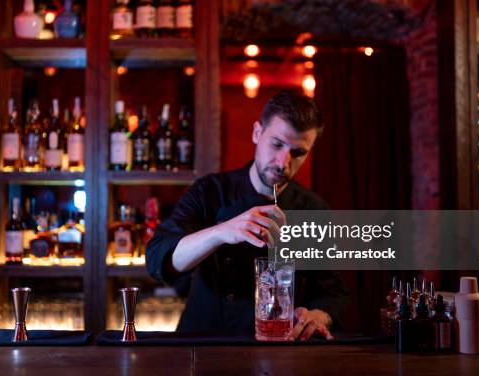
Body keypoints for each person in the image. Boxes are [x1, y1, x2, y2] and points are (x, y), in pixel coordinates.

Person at [146, 90, 349, 340]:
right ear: (257, 133)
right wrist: (221, 232)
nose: (283, 162)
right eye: (277, 144)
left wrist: (319, 315)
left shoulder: (314, 211)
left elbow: (333, 292)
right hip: (204, 345)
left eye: (298, 153)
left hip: (280, 351)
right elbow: (158, 259)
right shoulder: (210, 191)